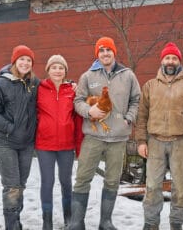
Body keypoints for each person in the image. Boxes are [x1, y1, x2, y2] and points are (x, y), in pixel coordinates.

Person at [68, 36, 141, 230]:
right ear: (97, 54)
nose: (105, 53)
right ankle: (76, 222)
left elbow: (136, 100)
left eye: (108, 50)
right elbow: (78, 101)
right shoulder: (88, 76)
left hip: (118, 138)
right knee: (83, 178)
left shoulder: (128, 75)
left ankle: (105, 221)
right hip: (92, 137)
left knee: (112, 180)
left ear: (114, 52)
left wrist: (129, 117)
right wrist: (88, 111)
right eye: (101, 50)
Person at [135, 42, 183, 230]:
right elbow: (141, 115)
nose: (170, 61)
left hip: (181, 142)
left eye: (174, 58)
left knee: (180, 188)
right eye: (167, 57)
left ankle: (176, 224)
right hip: (154, 141)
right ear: (162, 60)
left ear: (179, 61)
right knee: (152, 186)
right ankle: (150, 223)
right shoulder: (149, 86)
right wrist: (141, 140)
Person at [0, 45, 39, 230]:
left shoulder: (33, 83)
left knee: (21, 185)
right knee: (12, 186)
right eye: (21, 59)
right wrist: (11, 128)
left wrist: (68, 84)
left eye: (29, 60)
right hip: (6, 142)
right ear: (14, 61)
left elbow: (50, 90)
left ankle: (16, 221)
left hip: (26, 144)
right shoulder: (0, 84)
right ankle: (12, 226)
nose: (25, 63)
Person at [35, 55, 83, 230]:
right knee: (47, 182)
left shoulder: (72, 90)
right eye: (54, 67)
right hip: (44, 145)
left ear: (65, 71)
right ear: (48, 70)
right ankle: (47, 221)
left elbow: (77, 120)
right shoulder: (38, 88)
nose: (57, 71)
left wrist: (78, 146)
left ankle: (68, 217)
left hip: (66, 145)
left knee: (66, 182)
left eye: (61, 68)